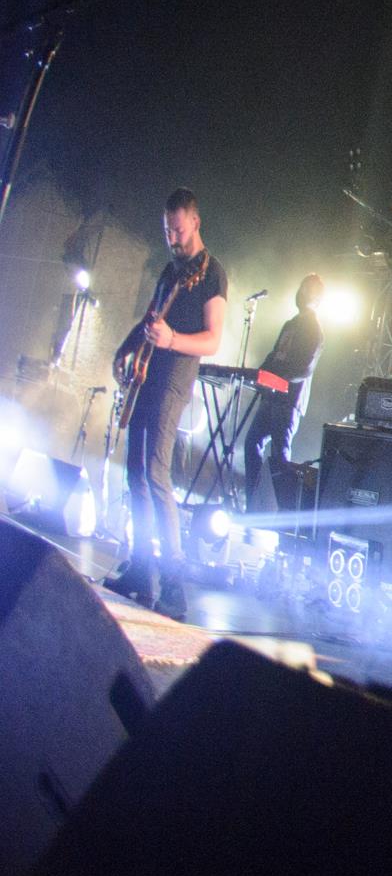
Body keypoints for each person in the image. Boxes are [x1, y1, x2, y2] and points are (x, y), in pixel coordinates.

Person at [104, 189, 228, 619]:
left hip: (174, 379)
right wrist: (124, 349)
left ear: (195, 223)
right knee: (135, 473)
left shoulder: (213, 274)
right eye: (167, 230)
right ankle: (141, 571)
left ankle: (174, 587)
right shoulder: (170, 270)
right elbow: (149, 319)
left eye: (177, 229)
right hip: (147, 374)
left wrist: (172, 339)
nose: (172, 238)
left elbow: (213, 339)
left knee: (156, 474)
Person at [243, 274, 325, 513]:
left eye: (307, 290)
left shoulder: (314, 329)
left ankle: (278, 510)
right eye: (302, 288)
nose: (302, 293)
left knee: (279, 456)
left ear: (317, 298)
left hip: (289, 401)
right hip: (271, 397)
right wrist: (259, 374)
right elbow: (274, 354)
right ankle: (254, 504)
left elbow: (305, 369)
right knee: (252, 443)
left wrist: (278, 380)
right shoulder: (290, 324)